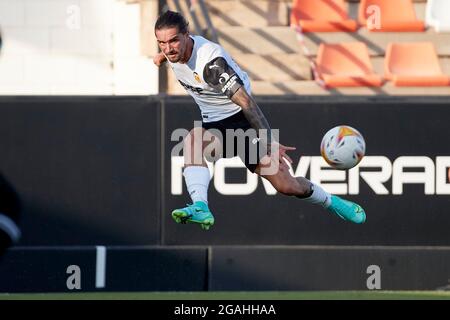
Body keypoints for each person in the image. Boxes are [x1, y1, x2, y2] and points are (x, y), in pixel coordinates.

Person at [153, 10, 366, 230]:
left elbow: (247, 103)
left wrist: (270, 142)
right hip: (215, 125)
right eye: (162, 43)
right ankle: (200, 206)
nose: (168, 49)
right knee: (192, 140)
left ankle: (332, 202)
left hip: (241, 120)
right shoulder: (172, 52)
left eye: (173, 41)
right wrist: (161, 57)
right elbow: (171, 53)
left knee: (287, 186)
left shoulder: (212, 65)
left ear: (187, 34)